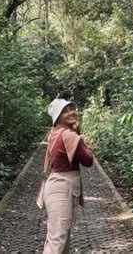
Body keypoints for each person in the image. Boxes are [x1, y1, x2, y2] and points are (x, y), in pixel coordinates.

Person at [42, 97, 94, 254]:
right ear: (58, 117)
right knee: (57, 241)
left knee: (60, 240)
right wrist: (78, 136)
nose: (71, 112)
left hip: (56, 185)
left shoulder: (55, 133)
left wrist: (75, 132)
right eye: (65, 111)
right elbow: (88, 160)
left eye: (71, 108)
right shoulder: (69, 136)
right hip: (62, 188)